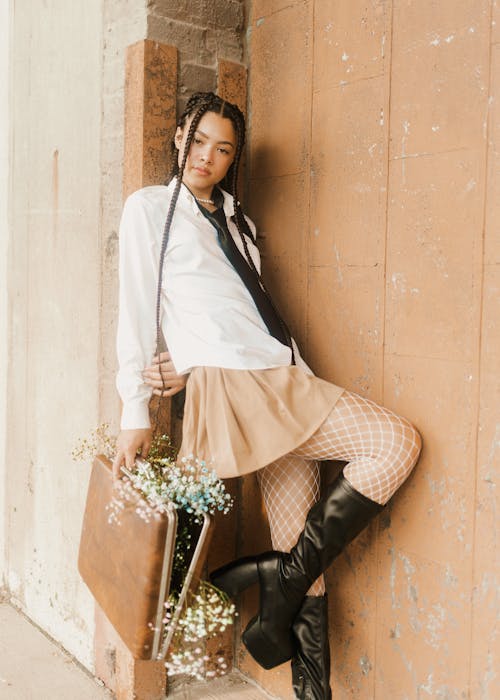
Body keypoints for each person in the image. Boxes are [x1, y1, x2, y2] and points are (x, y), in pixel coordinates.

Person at [112, 92, 422, 699]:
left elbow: (243, 310)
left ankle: (285, 609)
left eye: (223, 149)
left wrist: (289, 365)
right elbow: (137, 306)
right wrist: (134, 408)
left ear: (233, 159)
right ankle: (270, 579)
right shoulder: (151, 209)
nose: (207, 156)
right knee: (395, 443)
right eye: (198, 141)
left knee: (302, 563)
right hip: (242, 385)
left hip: (280, 373)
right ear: (178, 137)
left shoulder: (239, 221)